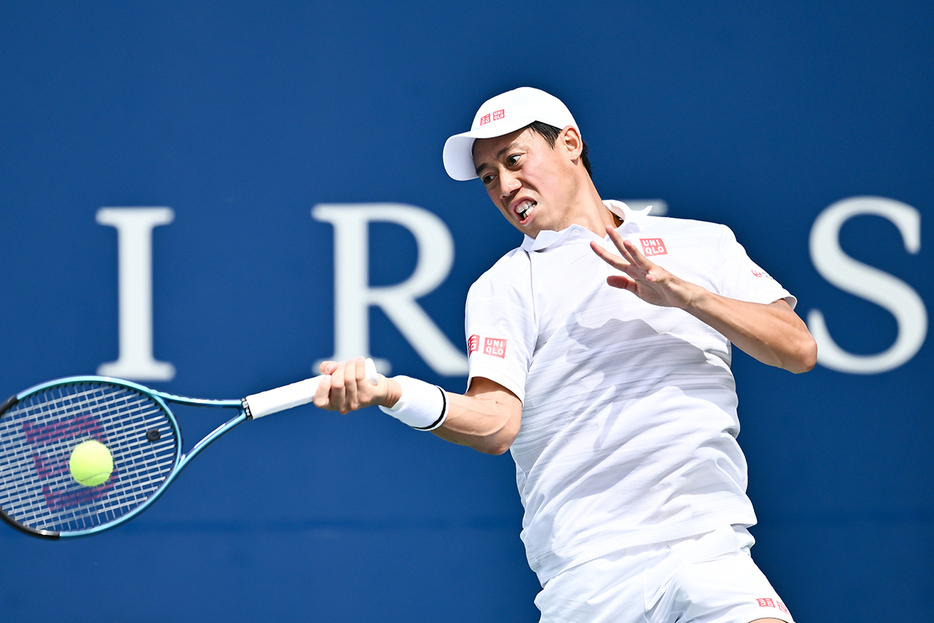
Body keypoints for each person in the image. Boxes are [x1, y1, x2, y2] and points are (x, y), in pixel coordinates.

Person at [314, 87, 817, 623]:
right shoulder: (505, 284)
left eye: (513, 160)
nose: (505, 186)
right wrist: (393, 392)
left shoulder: (703, 244)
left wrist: (686, 295)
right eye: (488, 177)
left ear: (570, 144)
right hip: (588, 578)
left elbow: (797, 348)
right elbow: (495, 426)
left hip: (709, 551)